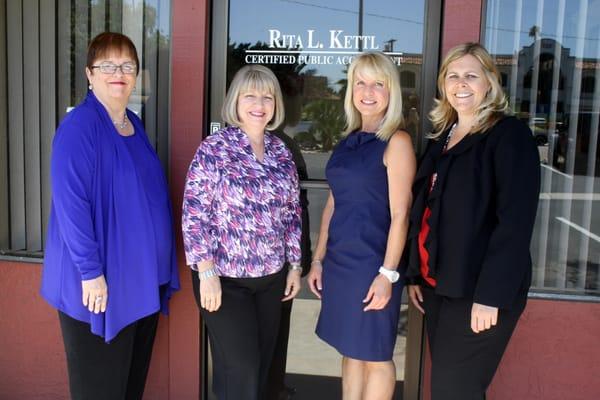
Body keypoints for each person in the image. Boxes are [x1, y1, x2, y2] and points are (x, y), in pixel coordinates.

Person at [41, 32, 180, 400]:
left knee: (128, 388)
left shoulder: (133, 123)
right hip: (98, 288)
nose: (118, 72)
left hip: (138, 283)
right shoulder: (79, 126)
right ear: (89, 74)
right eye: (107, 65)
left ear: (136, 75)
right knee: (100, 391)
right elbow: (71, 204)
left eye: (127, 65)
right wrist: (91, 273)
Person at [404, 42, 541, 400]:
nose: (460, 83)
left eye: (471, 75)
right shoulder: (442, 137)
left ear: (489, 82)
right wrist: (417, 272)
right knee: (450, 388)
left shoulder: (508, 135)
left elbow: (515, 222)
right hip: (439, 286)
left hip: (479, 291)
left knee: (455, 391)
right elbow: (427, 211)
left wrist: (490, 297)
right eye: (452, 76)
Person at [182, 64, 302, 400]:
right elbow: (194, 213)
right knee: (242, 367)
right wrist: (205, 271)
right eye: (251, 95)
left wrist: (295, 265)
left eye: (267, 96)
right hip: (224, 280)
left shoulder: (281, 152)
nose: (259, 103)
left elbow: (292, 212)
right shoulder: (215, 149)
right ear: (236, 101)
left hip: (271, 278)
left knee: (260, 369)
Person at [307, 52, 416, 399]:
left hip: (373, 264)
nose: (368, 91)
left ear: (391, 91)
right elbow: (333, 206)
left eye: (378, 84)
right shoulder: (347, 140)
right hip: (340, 264)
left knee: (375, 354)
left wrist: (387, 274)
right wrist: (318, 259)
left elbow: (401, 214)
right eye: (360, 82)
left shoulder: (396, 142)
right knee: (349, 348)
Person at [267, 129, 312, 400]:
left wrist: (299, 260)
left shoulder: (284, 144)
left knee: (279, 324)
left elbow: (299, 204)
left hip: (285, 257)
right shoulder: (224, 145)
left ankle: (274, 385)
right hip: (246, 267)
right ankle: (270, 386)